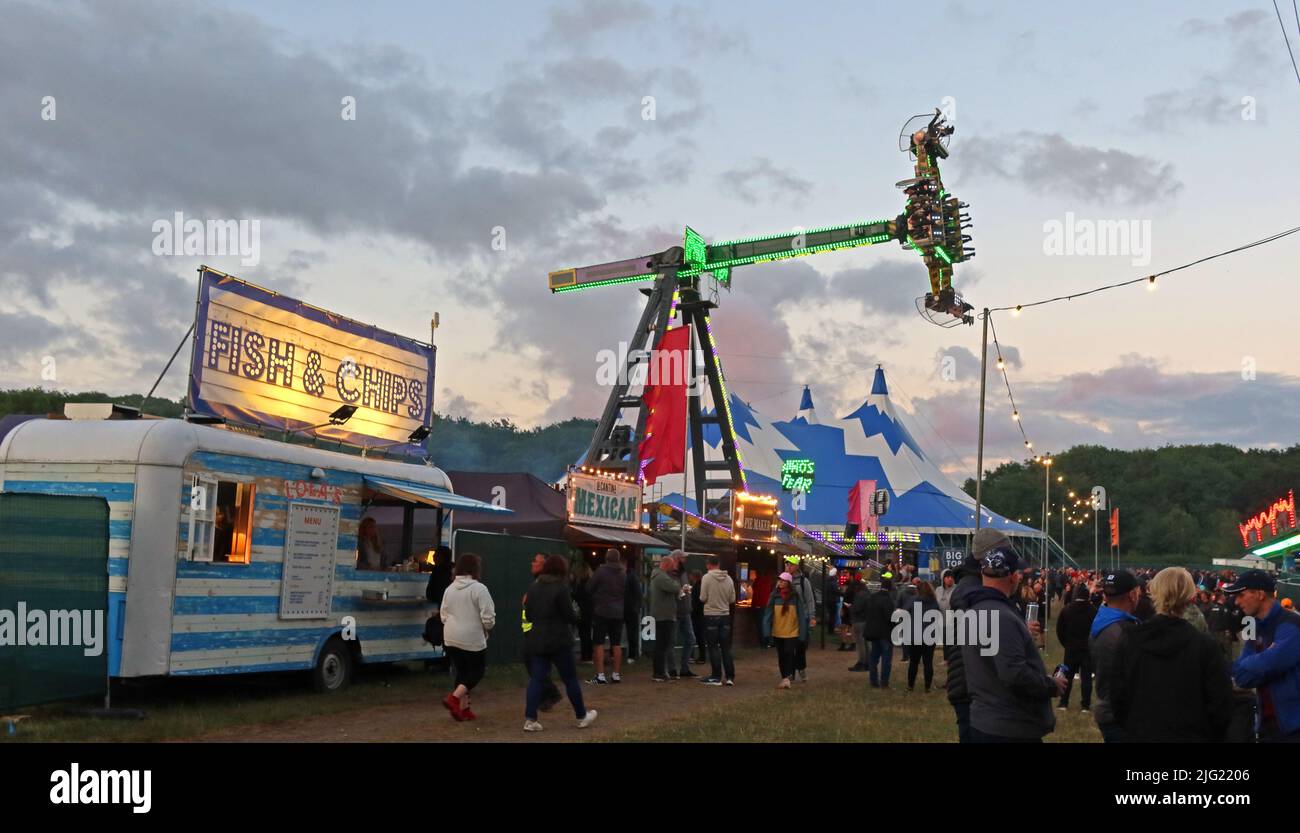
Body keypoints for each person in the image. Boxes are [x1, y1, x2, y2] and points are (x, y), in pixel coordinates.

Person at [1110, 567, 1233, 742]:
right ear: (1191, 596)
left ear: (1153, 592)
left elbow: (1117, 696)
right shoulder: (1205, 646)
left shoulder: (1131, 640)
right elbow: (1221, 705)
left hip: (1142, 733)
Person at [961, 543, 1064, 743]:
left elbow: (988, 659)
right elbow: (1013, 673)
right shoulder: (1002, 616)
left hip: (985, 719)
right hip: (1009, 725)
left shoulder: (973, 611)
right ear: (1014, 576)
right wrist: (1051, 685)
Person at [522, 554, 598, 732]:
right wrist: (576, 616)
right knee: (570, 679)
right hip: (559, 640)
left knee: (536, 679)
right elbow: (570, 616)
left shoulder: (533, 588)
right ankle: (581, 716)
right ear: (562, 570)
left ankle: (530, 719)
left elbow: (530, 615)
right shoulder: (561, 588)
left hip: (538, 639)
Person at [945, 529, 1006, 742]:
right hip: (969, 682)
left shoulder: (973, 585)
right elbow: (978, 632)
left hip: (975, 679)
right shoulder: (970, 590)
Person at [1227, 570, 1300, 742]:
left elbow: (1272, 663)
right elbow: (1242, 677)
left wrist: (1260, 663)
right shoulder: (1255, 628)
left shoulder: (1292, 623)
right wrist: (1265, 659)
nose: (1237, 602)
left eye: (1241, 595)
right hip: (1266, 727)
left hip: (1294, 728)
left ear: (1260, 594)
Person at [439, 553, 496, 721]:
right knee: (476, 672)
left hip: (450, 636)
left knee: (463, 672)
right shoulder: (479, 589)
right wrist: (487, 628)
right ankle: (454, 698)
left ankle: (463, 709)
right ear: (476, 569)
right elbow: (488, 616)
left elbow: (443, 615)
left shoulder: (449, 589)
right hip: (472, 637)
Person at [1090, 570, 1141, 742]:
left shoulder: (1102, 621)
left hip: (1107, 706)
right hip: (1122, 714)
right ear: (1133, 595)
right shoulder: (1124, 631)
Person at [522, 553, 562, 712]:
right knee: (533, 664)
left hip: (538, 630)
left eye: (536, 561)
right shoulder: (536, 583)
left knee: (534, 664)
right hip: (531, 629)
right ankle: (548, 696)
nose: (532, 563)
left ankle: (550, 695)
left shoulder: (544, 584)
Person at [585, 548, 626, 685]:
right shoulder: (623, 573)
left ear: (606, 558)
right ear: (618, 559)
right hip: (618, 611)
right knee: (616, 643)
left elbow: (589, 588)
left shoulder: (601, 571)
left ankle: (600, 675)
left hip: (602, 610)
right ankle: (616, 674)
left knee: (599, 642)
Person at [1055, 583, 1097, 712]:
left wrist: (1066, 643)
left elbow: (1059, 630)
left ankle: (1063, 703)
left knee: (1067, 676)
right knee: (1086, 677)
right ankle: (1085, 705)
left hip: (1071, 648)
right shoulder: (1093, 610)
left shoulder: (1067, 609)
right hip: (1087, 648)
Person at [761, 572, 807, 689]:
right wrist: (766, 630)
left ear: (789, 583)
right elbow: (768, 613)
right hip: (778, 631)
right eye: (779, 580)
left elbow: (801, 615)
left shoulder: (795, 596)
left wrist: (802, 633)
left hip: (792, 631)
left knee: (789, 653)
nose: (780, 582)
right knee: (781, 655)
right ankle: (785, 677)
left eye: (783, 580)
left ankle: (787, 677)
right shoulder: (774, 595)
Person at [698, 555, 737, 686]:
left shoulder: (706, 578)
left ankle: (716, 676)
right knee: (726, 647)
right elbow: (732, 599)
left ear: (709, 564)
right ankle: (730, 676)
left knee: (713, 646)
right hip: (725, 615)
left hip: (711, 615)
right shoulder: (729, 579)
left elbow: (703, 598)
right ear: (719, 564)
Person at [649, 552, 681, 682]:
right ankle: (659, 673)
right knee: (662, 645)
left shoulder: (658, 575)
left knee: (661, 645)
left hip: (661, 614)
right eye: (672, 566)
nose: (674, 568)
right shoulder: (661, 577)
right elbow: (674, 587)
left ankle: (660, 672)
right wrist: (678, 586)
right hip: (664, 616)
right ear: (666, 565)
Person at [784, 557, 817, 682]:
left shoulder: (804, 582)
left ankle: (801, 668)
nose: (789, 567)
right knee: (789, 647)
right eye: (787, 564)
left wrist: (812, 616)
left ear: (797, 566)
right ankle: (790, 672)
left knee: (801, 645)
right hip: (788, 619)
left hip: (802, 618)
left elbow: (809, 600)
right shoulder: (785, 580)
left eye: (791, 564)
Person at [861, 578, 897, 689]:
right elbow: (890, 617)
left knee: (873, 658)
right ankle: (884, 682)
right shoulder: (888, 600)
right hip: (885, 634)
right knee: (886, 660)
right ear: (890, 588)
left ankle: (873, 681)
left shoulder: (873, 597)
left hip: (873, 633)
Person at [906, 580, 940, 692]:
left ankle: (910, 685)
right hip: (929, 636)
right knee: (928, 662)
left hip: (915, 635)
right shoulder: (934, 603)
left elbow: (906, 613)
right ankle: (927, 686)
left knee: (913, 662)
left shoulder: (913, 601)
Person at [676, 566, 698, 679]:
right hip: (676, 612)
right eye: (682, 558)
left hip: (686, 611)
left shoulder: (683, 574)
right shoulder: (671, 574)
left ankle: (684, 668)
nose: (684, 560)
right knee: (669, 641)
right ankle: (671, 670)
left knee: (691, 639)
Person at [571, 557, 594, 663]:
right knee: (587, 633)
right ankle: (588, 655)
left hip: (582, 610)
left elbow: (576, 596)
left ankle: (586, 656)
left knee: (583, 634)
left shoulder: (580, 583)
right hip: (589, 610)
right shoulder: (591, 581)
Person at [623, 551, 643, 663]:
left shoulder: (631, 576)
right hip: (623, 608)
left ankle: (632, 655)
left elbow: (638, 593)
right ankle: (627, 654)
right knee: (628, 633)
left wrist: (637, 607)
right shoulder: (628, 575)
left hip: (631, 609)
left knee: (632, 633)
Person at [848, 578, 871, 672]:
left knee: (860, 644)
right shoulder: (868, 594)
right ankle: (868, 662)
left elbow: (857, 608)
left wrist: (850, 607)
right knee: (867, 643)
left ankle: (861, 662)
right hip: (867, 620)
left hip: (859, 621)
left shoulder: (859, 595)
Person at [751, 569, 774, 647]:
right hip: (767, 605)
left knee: (760, 625)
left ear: (757, 574)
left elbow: (755, 594)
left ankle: (763, 643)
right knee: (767, 623)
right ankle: (769, 642)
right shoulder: (769, 581)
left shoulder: (757, 582)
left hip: (758, 605)